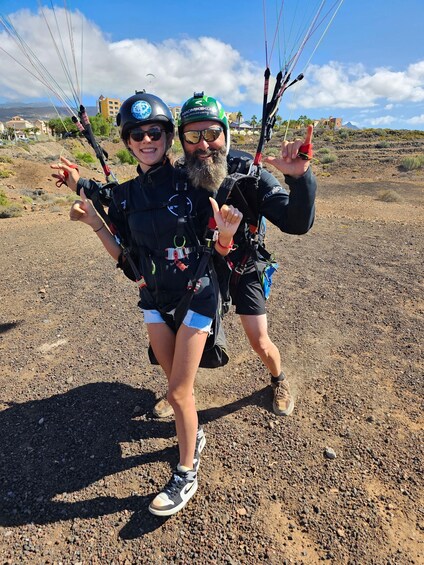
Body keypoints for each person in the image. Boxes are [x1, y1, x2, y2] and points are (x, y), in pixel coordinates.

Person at [62, 91, 242, 516]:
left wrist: (228, 234)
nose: (147, 139)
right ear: (127, 140)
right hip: (153, 298)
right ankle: (191, 432)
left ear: (167, 136)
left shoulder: (194, 183)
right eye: (138, 134)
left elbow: (218, 249)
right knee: (174, 385)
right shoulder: (124, 197)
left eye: (155, 132)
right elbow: (126, 256)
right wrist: (93, 223)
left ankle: (186, 472)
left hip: (196, 294)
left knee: (179, 391)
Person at [152, 93, 316, 419]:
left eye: (212, 134)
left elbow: (297, 223)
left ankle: (278, 379)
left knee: (259, 341)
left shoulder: (250, 173)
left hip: (243, 266)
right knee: (181, 335)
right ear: (182, 140)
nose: (203, 144)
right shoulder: (178, 177)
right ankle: (179, 390)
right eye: (193, 136)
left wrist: (299, 178)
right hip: (201, 267)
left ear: (226, 134)